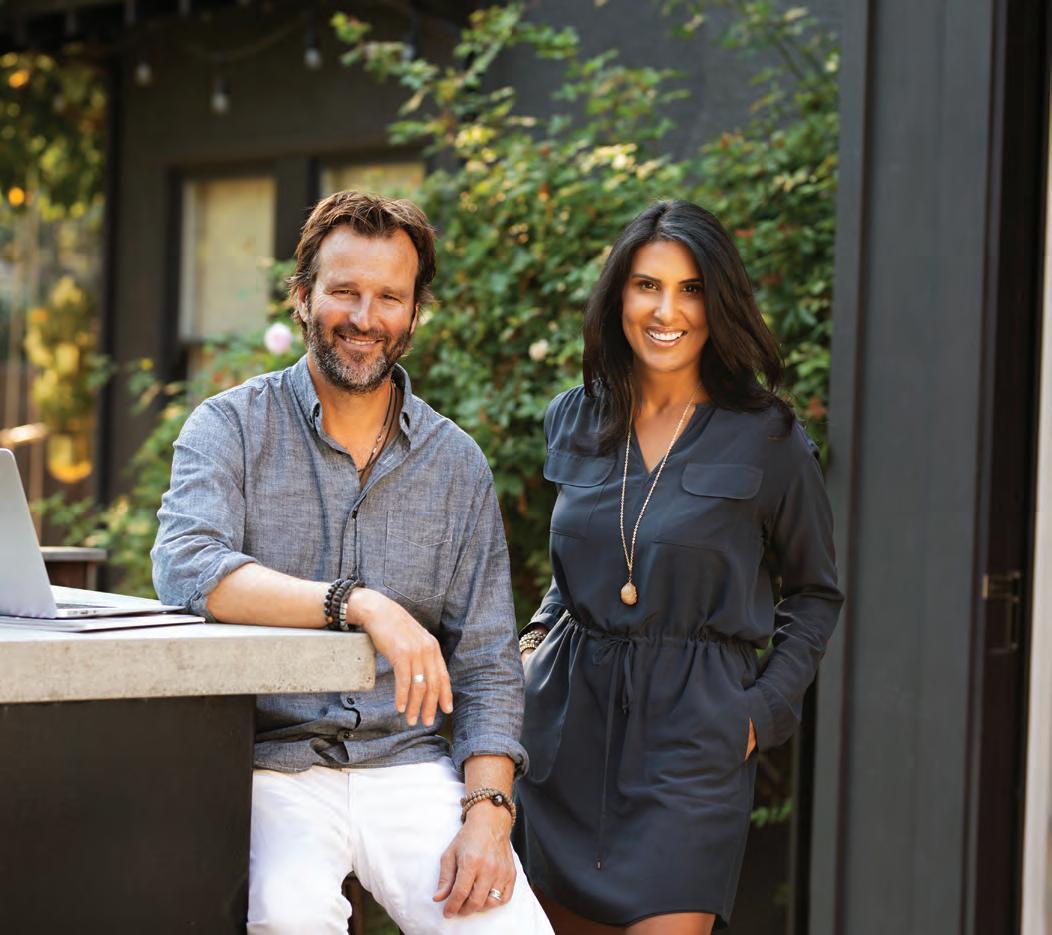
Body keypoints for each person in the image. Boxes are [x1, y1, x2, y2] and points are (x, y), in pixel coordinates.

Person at [152, 191, 553, 935]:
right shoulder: (230, 427)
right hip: (273, 764)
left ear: (414, 313)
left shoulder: (456, 464)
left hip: (409, 763)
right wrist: (358, 603)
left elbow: (488, 662)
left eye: (389, 297)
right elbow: (187, 565)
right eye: (344, 291)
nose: (365, 317)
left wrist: (489, 814)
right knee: (289, 916)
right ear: (302, 296)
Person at [513, 200, 844, 934]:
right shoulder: (573, 416)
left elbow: (815, 593)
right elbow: (578, 563)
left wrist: (759, 713)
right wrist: (533, 646)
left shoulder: (770, 438)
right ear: (618, 297)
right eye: (647, 285)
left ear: (718, 302)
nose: (667, 311)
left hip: (693, 744)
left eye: (690, 289)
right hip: (564, 735)